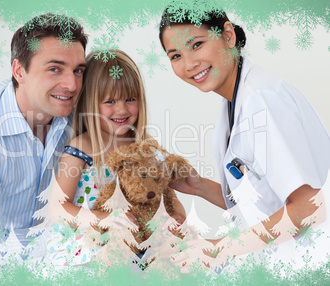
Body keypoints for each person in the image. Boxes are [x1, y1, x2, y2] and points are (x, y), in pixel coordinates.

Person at [158, 8, 330, 271]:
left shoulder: (262, 100)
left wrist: (219, 249)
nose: (189, 63)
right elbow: (263, 200)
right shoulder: (233, 105)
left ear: (228, 35)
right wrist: (200, 187)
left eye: (197, 44)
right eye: (176, 56)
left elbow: (310, 209)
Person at [0, 13, 88, 245]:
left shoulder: (81, 113)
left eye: (78, 70)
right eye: (54, 69)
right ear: (19, 71)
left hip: (63, 263)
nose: (72, 85)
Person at [46, 50, 187, 265]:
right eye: (110, 101)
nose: (122, 109)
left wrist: (177, 217)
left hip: (140, 241)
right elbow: (57, 208)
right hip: (92, 240)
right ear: (89, 103)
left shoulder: (146, 148)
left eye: (130, 99)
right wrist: (106, 219)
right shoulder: (81, 147)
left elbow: (169, 198)